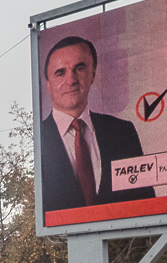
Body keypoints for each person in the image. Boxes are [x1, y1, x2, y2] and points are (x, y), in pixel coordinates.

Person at [38, 35, 155, 216]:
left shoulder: (123, 132)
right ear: (48, 84)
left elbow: (147, 205)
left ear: (92, 75)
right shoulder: (37, 139)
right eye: (60, 73)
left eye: (79, 68)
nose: (71, 80)